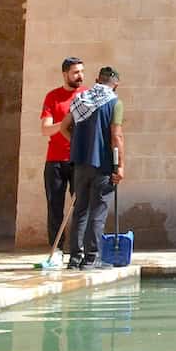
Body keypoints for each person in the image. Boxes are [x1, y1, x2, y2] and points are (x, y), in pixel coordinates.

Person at [61, 66, 124, 269]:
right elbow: (116, 136)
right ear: (116, 85)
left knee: (80, 210)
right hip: (103, 165)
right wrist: (120, 166)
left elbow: (63, 127)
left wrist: (79, 145)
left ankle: (74, 258)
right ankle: (91, 257)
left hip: (80, 164)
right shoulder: (115, 103)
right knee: (98, 211)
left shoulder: (81, 99)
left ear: (97, 79)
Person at [38, 57, 86, 248]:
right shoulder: (53, 97)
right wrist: (65, 123)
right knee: (55, 206)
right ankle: (56, 249)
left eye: (82, 71)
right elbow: (45, 129)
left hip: (78, 159)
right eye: (75, 72)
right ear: (65, 74)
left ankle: (78, 248)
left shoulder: (86, 95)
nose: (80, 76)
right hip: (55, 160)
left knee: (82, 206)